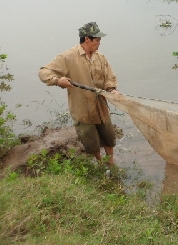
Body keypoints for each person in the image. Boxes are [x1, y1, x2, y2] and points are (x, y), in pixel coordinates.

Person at [39, 22, 119, 164]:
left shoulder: (100, 58)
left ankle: (111, 163)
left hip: (101, 109)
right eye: (97, 39)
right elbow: (43, 72)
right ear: (87, 39)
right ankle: (100, 163)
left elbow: (109, 78)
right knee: (92, 144)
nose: (100, 42)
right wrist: (58, 81)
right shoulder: (68, 57)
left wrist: (112, 89)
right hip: (82, 110)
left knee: (109, 138)